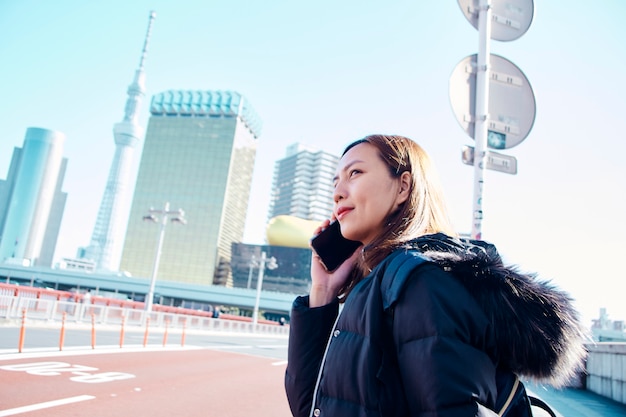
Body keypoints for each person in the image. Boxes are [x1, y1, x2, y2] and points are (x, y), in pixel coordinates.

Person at [284, 135, 587, 417]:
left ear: (403, 187)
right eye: (336, 181)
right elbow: (311, 408)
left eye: (355, 173)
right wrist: (322, 291)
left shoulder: (422, 282)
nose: (337, 193)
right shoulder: (374, 286)